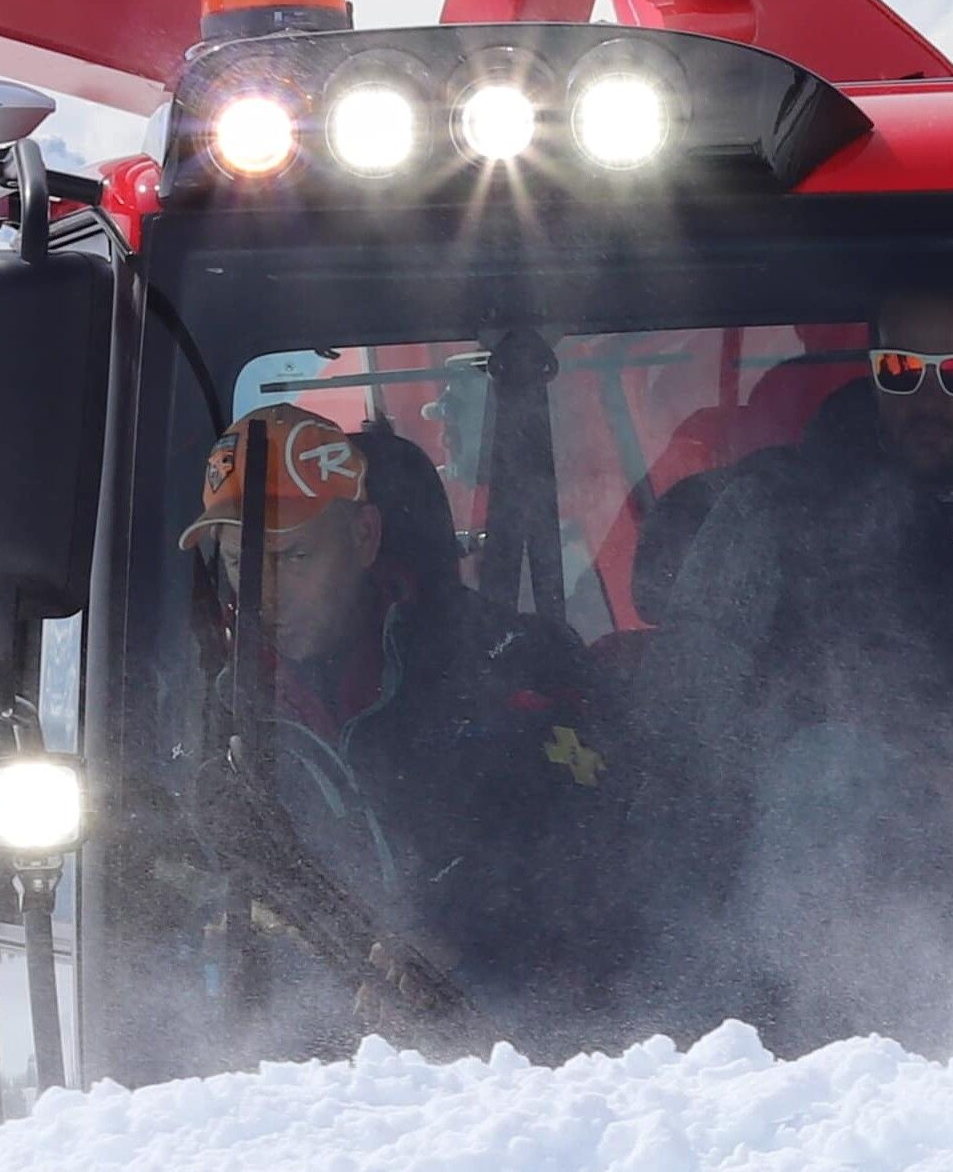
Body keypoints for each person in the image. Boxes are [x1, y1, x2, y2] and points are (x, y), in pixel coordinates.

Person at [621, 279, 953, 1041]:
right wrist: (910, 760)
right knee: (833, 771)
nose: (925, 398)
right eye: (902, 370)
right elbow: (679, 736)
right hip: (787, 938)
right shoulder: (776, 513)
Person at [170, 399, 624, 1037]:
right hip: (311, 1060)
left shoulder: (505, 660)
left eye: (294, 558)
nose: (266, 595)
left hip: (544, 1051)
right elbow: (169, 891)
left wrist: (458, 924)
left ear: (363, 537)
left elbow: (596, 828)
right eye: (244, 563)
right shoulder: (224, 715)